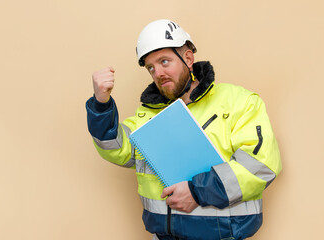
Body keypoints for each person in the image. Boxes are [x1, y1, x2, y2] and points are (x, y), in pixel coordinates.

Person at [86, 19, 282, 240]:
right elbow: (115, 147)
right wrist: (101, 104)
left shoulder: (240, 102)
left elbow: (261, 166)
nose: (158, 73)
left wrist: (198, 192)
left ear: (188, 58)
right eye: (151, 67)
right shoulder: (148, 115)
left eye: (164, 61)